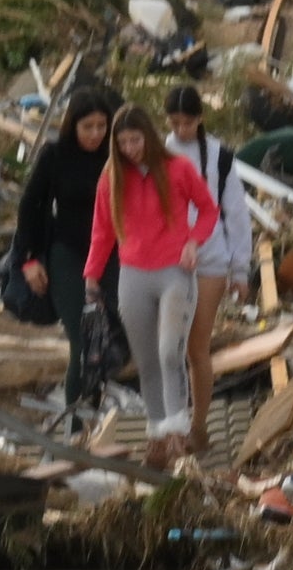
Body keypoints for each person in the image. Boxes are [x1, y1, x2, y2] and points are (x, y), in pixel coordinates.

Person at [88, 96, 224, 461]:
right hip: (133, 276)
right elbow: (102, 232)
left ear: (148, 136)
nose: (131, 149)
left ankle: (178, 430)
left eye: (136, 140)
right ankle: (157, 433)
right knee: (146, 360)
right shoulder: (111, 179)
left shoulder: (178, 169)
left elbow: (210, 210)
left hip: (174, 274)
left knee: (169, 352)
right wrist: (91, 274)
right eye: (123, 143)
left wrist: (194, 241)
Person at [4, 95, 127, 419]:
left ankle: (98, 416)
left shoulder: (116, 156)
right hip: (69, 256)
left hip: (112, 258)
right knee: (83, 342)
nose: (96, 133)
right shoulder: (55, 156)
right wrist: (29, 259)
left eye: (103, 126)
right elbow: (31, 206)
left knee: (113, 341)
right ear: (73, 125)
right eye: (88, 127)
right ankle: (74, 426)